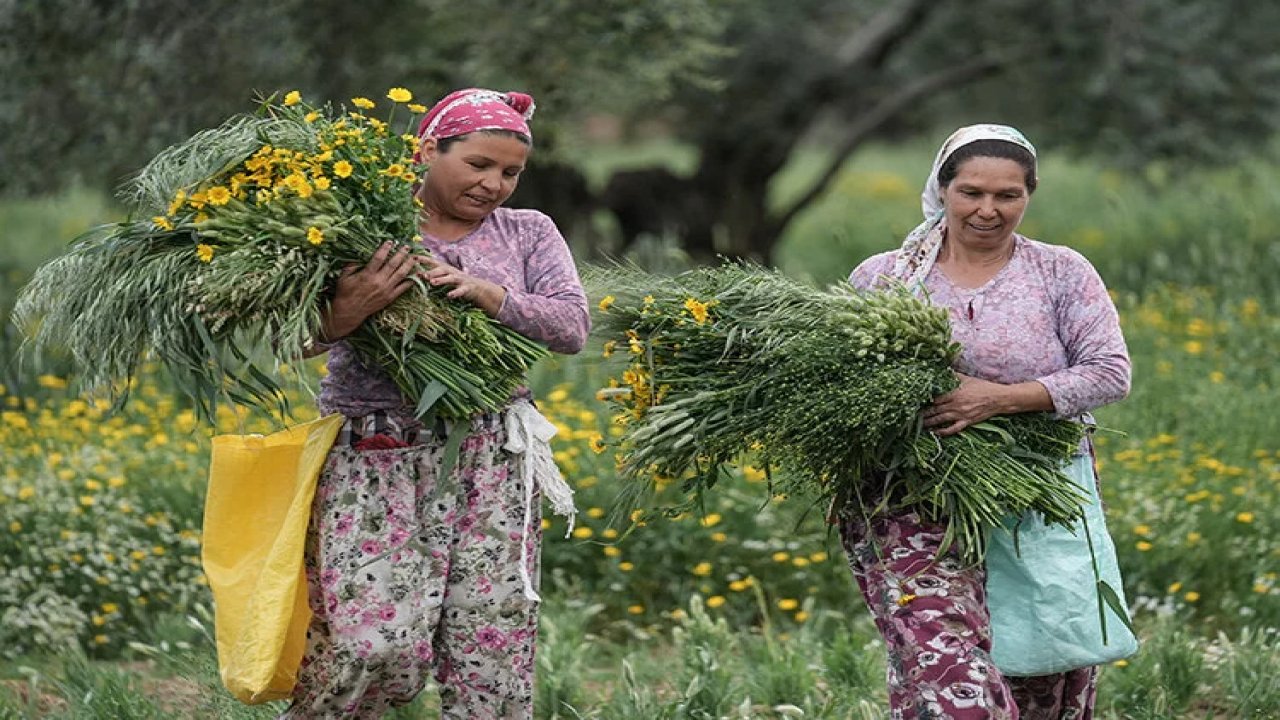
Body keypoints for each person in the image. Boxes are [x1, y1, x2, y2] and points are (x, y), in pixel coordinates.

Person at [283, 88, 590, 719]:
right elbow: (293, 339)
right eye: (477, 164)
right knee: (372, 643)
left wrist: (487, 293)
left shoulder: (528, 233)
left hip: (493, 456)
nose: (493, 184)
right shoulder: (364, 225)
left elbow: (572, 327)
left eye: (510, 173)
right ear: (426, 150)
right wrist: (349, 312)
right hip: (374, 455)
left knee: (492, 639)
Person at [839, 124, 1131, 719]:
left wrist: (998, 400)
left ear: (1030, 195)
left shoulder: (1060, 271)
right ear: (941, 189)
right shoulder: (884, 277)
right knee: (943, 658)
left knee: (1043, 661)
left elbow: (1109, 373)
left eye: (1008, 196)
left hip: (1036, 487)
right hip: (906, 489)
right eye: (971, 192)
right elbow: (841, 382)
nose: (988, 210)